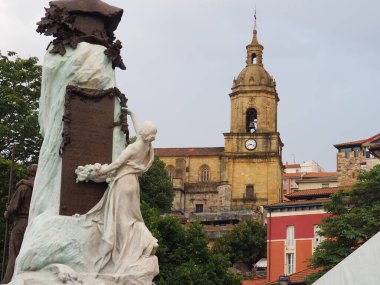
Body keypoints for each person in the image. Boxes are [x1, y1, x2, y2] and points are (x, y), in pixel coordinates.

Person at [75, 108, 159, 275]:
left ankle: (122, 253)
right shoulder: (147, 146)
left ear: (143, 133)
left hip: (123, 182)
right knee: (132, 218)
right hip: (133, 184)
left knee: (121, 221)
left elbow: (115, 165)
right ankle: (144, 242)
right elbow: (140, 128)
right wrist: (132, 113)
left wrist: (97, 173)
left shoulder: (133, 148)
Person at [2, 164, 37, 284]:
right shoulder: (41, 188)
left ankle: (8, 282)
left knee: (14, 255)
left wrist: (7, 213)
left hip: (21, 223)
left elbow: (13, 208)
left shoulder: (23, 187)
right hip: (35, 223)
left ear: (29, 172)